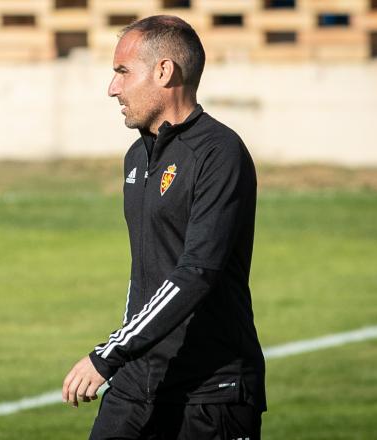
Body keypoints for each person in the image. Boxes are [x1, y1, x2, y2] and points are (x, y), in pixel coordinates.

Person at [62, 15, 266, 440]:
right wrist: (126, 353)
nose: (112, 88)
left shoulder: (219, 153)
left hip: (211, 392)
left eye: (122, 72)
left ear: (163, 71)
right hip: (137, 383)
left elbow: (196, 273)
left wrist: (109, 353)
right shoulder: (136, 158)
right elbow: (144, 272)